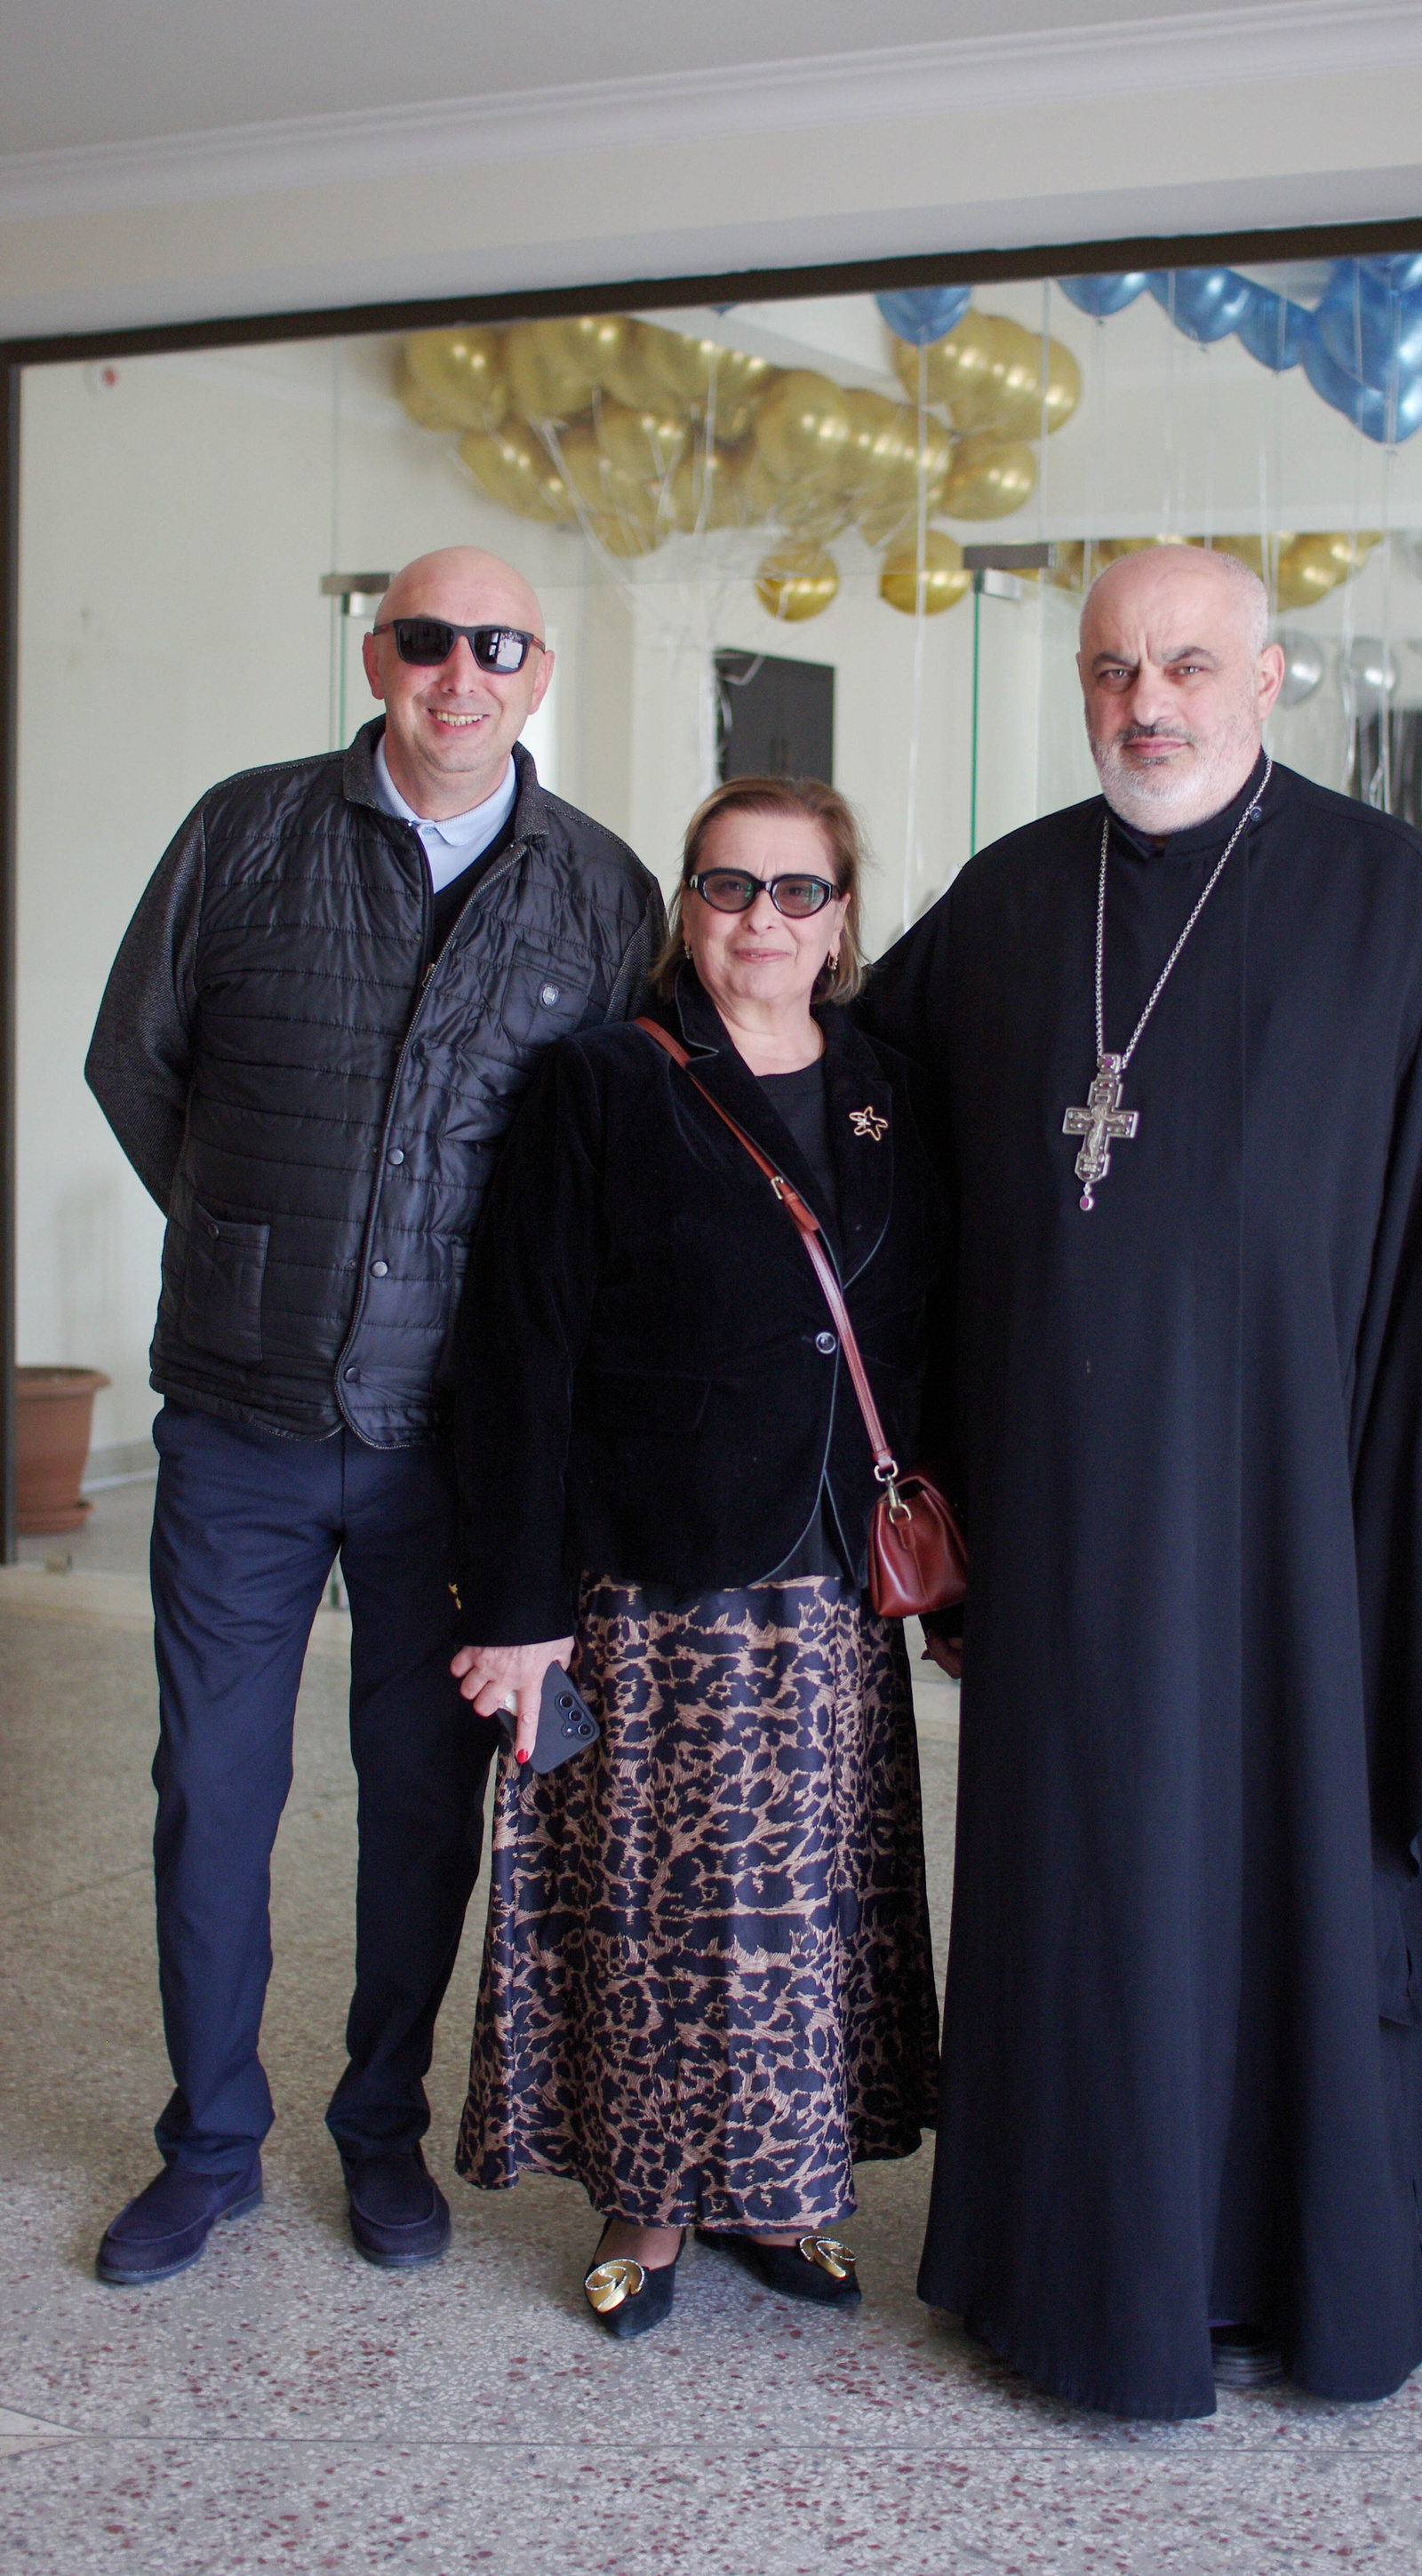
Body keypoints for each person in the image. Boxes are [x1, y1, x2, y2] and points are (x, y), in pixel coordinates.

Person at [859, 544, 1422, 2420]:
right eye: (1113, 669)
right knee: (1089, 1891)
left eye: (1188, 664)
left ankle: (1294, 2264)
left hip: (1299, 1549)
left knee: (1294, 1879)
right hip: (1069, 1533)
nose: (1147, 704)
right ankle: (1071, 2269)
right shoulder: (1013, 900)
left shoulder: (1387, 902)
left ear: (1267, 680)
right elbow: (867, 1146)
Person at [84, 546, 663, 2287]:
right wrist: (246, 1241)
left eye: (497, 645)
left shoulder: (600, 890)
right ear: (376, 654)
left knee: (419, 1802)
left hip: (451, 1450)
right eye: (426, 640)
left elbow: (611, 1164)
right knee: (215, 1793)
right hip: (239, 1419)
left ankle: (380, 2128)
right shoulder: (245, 830)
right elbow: (134, 1059)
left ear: (538, 671)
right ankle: (209, 2145)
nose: (458, 673)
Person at [448, 775, 943, 2338]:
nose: (762, 921)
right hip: (661, 1574)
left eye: (798, 891)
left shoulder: (888, 1090)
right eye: (730, 888)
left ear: (841, 920)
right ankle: (649, 2206)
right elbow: (520, 1350)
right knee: (664, 1912)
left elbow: (921, 1332)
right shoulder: (604, 1082)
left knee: (801, 1916)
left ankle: (779, 2192)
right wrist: (518, 1607)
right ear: (689, 909)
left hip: (831, 1577)